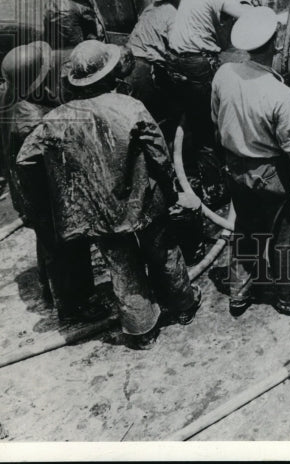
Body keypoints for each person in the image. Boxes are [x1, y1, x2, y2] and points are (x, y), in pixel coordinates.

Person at [16, 40, 201, 350]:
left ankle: (141, 329)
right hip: (145, 202)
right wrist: (170, 191)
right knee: (163, 252)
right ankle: (183, 305)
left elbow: (26, 160)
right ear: (109, 74)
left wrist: (57, 196)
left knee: (122, 266)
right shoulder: (130, 107)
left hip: (99, 212)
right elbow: (159, 154)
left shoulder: (56, 119)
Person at [0, 41, 106, 324]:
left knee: (48, 244)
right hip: (46, 196)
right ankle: (76, 306)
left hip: (27, 194)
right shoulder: (33, 121)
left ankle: (51, 290)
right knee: (69, 245)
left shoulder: (9, 98)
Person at [210, 6, 290, 318]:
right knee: (284, 232)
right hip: (269, 172)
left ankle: (239, 294)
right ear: (276, 43)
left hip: (233, 167)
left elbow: (215, 118)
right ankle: (288, 296)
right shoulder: (279, 92)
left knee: (245, 228)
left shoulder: (224, 74)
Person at [166, 0, 259, 206]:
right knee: (210, 127)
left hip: (173, 61)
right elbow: (252, 16)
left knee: (192, 123)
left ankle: (192, 175)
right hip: (197, 64)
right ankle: (216, 192)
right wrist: (263, 11)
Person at [126, 0, 187, 135]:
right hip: (144, 69)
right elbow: (177, 49)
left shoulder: (150, 8)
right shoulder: (172, 14)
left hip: (129, 63)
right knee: (155, 117)